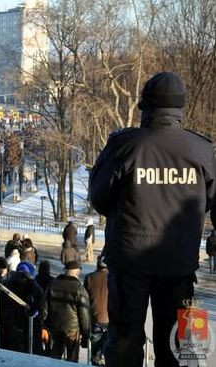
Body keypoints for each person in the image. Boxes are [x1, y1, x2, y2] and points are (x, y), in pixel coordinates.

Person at [89, 72, 216, 367]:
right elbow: (210, 200)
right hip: (179, 263)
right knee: (174, 341)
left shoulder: (126, 145)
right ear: (181, 107)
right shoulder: (201, 150)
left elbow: (99, 198)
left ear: (145, 106)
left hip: (129, 259)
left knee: (124, 337)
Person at [40, 261, 90, 362]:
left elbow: (43, 306)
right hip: (72, 329)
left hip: (56, 326)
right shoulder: (79, 288)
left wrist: (44, 323)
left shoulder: (53, 283)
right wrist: (85, 334)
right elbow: (84, 314)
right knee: (72, 357)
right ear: (77, 273)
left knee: (56, 354)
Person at [0, 261, 43, 353]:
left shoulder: (7, 282)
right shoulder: (33, 285)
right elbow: (40, 303)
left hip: (9, 322)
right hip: (26, 323)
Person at [84, 256, 109, 366]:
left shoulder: (89, 278)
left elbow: (84, 299)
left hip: (95, 317)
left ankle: (95, 360)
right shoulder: (111, 277)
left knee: (95, 350)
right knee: (108, 349)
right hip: (109, 318)